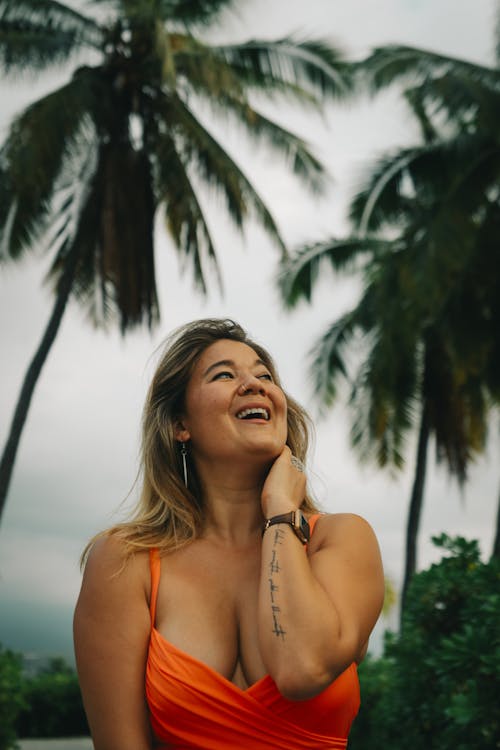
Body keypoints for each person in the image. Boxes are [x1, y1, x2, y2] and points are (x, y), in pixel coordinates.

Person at [73, 318, 384, 750]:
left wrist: (280, 514)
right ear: (181, 424)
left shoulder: (342, 539)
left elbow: (301, 668)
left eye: (264, 376)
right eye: (224, 374)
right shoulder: (125, 561)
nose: (254, 385)